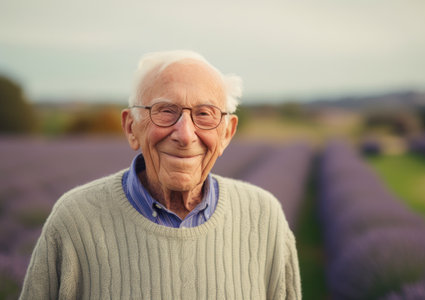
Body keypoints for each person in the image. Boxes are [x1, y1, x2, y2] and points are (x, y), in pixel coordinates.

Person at [20, 50, 302, 299]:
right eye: (166, 111)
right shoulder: (75, 220)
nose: (185, 134)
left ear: (226, 133)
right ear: (132, 128)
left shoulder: (264, 218)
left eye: (204, 114)